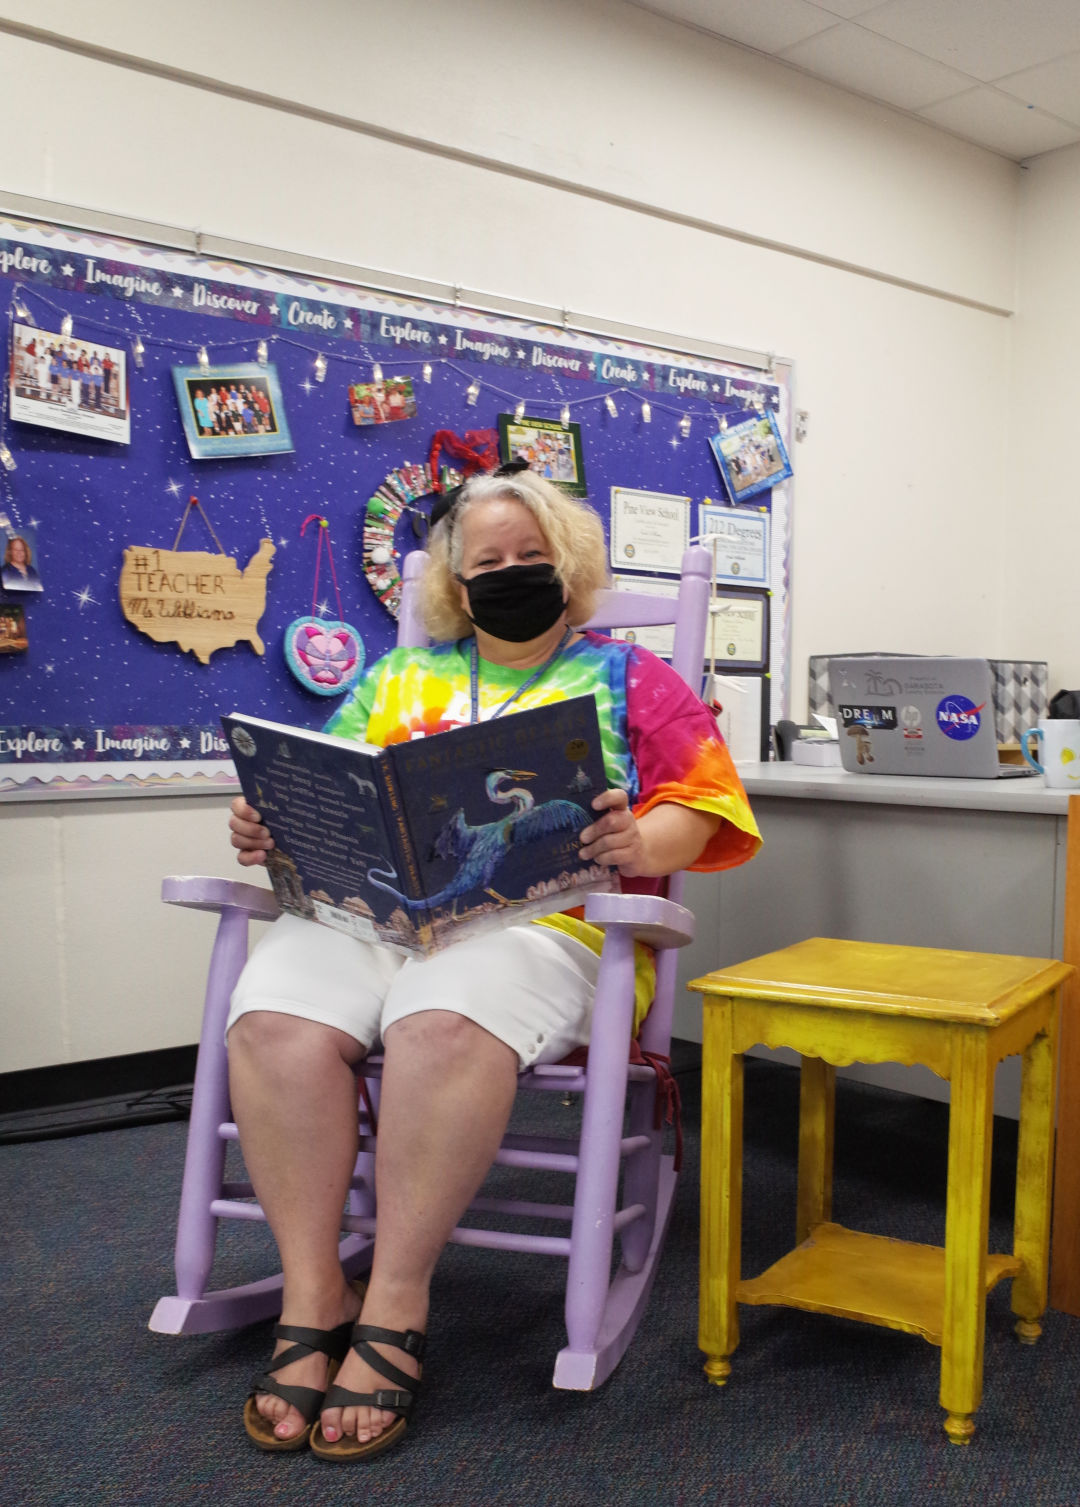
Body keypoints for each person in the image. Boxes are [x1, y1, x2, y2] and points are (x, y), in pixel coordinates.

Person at [226, 467, 760, 1462]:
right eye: (489, 564)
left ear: (570, 567)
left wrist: (645, 841)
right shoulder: (393, 683)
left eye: (533, 558)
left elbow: (711, 803)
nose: (512, 574)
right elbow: (331, 786)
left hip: (548, 926)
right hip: (376, 918)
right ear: (455, 587)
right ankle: (314, 1290)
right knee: (274, 1021)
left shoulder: (630, 679)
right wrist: (275, 820)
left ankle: (394, 1299)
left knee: (442, 1019)